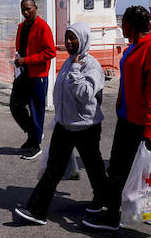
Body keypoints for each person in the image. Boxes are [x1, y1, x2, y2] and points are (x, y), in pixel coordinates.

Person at [82, 6, 151, 231]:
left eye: (123, 23)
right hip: (130, 118)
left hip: (146, 122)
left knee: (120, 168)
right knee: (149, 164)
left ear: (132, 26)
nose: (121, 26)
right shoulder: (134, 47)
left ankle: (113, 215)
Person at [13, 23, 109, 225]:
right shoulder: (69, 61)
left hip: (86, 127)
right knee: (53, 168)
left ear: (83, 39)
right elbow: (61, 93)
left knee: (94, 167)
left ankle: (104, 201)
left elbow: (84, 94)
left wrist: (75, 68)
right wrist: (58, 117)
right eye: (67, 38)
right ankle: (37, 211)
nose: (69, 42)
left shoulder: (91, 65)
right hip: (65, 126)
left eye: (73, 38)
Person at [10, 0, 56, 160]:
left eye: (29, 8)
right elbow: (21, 48)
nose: (26, 12)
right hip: (23, 73)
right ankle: (34, 133)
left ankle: (35, 145)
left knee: (37, 110)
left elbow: (51, 52)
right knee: (15, 105)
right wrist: (18, 60)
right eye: (23, 9)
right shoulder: (22, 27)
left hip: (38, 76)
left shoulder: (43, 27)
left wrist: (26, 60)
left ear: (35, 8)